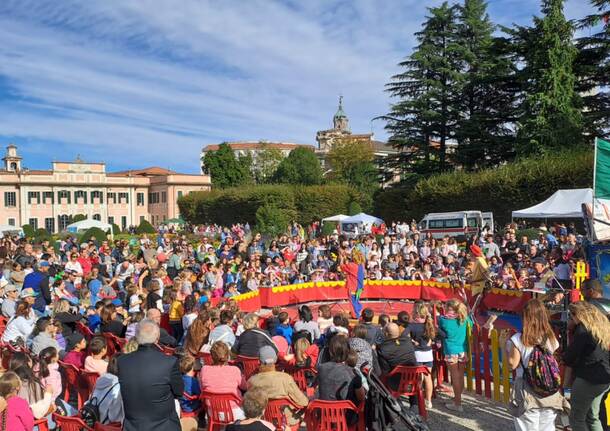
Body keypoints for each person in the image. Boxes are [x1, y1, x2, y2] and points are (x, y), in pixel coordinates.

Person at [506, 299, 565, 431]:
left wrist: (506, 347)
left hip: (527, 389)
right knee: (547, 426)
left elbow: (512, 364)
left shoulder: (518, 339)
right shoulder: (550, 337)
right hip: (549, 390)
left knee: (527, 426)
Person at [118, 319, 183, 431]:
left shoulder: (122, 361)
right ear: (157, 338)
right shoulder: (169, 362)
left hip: (134, 426)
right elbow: (179, 392)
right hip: (163, 426)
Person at [563, 301, 610, 431]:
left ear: (578, 315)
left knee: (576, 418)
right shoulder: (602, 327)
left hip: (587, 378)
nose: (570, 319)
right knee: (592, 416)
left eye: (571, 316)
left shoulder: (582, 329)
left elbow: (570, 356)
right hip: (604, 379)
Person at [247, 346, 309, 428]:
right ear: (275, 360)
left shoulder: (252, 381)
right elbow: (303, 402)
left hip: (264, 421)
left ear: (259, 361)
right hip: (287, 422)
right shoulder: (285, 378)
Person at [438, 299, 472, 412]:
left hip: (451, 350)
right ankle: (458, 398)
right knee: (461, 375)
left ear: (448, 308)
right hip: (463, 350)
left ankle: (458, 403)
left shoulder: (444, 320)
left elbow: (438, 324)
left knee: (455, 376)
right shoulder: (465, 319)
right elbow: (471, 326)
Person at [199, 341, 246, 420]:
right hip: (235, 412)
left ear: (211, 356)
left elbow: (202, 388)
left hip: (213, 412)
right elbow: (245, 387)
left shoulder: (204, 369)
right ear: (227, 355)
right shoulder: (234, 370)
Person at [317, 335, 365, 406]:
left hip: (323, 413)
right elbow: (361, 398)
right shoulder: (354, 373)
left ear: (330, 351)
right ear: (348, 351)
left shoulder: (321, 368)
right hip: (346, 414)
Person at [409, 302, 436, 409]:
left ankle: (419, 399)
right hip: (428, 353)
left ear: (416, 313)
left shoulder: (413, 325)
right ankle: (428, 401)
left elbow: (404, 336)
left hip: (418, 353)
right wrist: (430, 340)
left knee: (419, 378)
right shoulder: (429, 324)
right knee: (428, 377)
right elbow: (440, 334)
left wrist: (412, 341)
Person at [86, 355, 125, 425]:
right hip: (105, 426)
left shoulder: (100, 378)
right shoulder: (118, 386)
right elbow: (114, 418)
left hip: (93, 421)